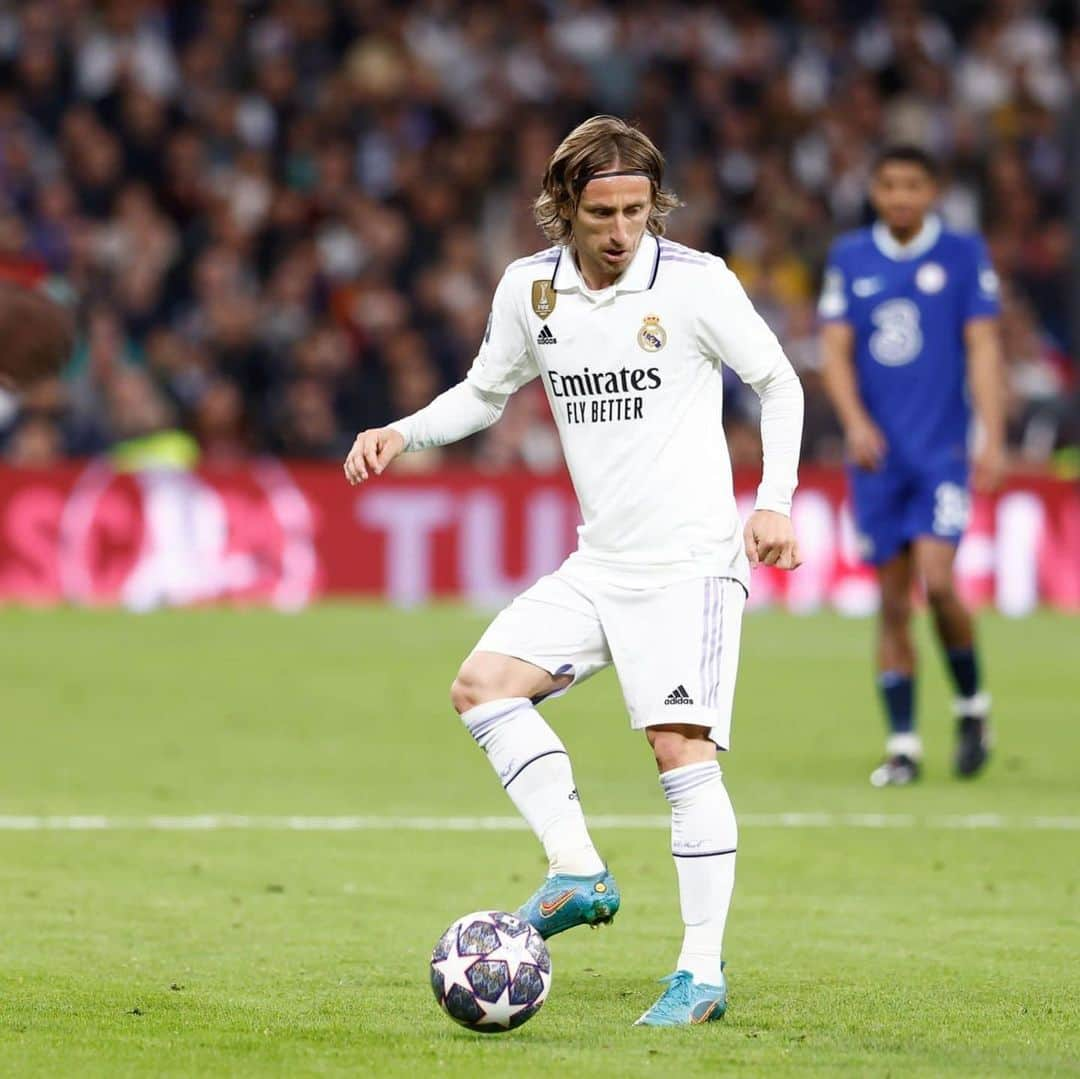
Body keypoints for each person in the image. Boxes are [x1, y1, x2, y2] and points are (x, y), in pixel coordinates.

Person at [344, 116, 804, 1027]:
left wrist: (775, 497)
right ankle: (579, 869)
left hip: (691, 567)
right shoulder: (531, 290)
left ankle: (700, 973)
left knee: (680, 753)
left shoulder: (697, 283)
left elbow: (778, 381)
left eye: (638, 209)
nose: (624, 230)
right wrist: (403, 430)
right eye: (603, 212)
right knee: (482, 688)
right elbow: (485, 391)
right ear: (564, 207)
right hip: (602, 562)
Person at [818, 145, 1005, 788]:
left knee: (940, 581)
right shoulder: (850, 257)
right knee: (893, 602)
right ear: (874, 190)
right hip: (877, 460)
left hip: (941, 453)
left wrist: (994, 433)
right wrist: (855, 421)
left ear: (933, 192)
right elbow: (836, 350)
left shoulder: (961, 254)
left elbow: (982, 346)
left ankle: (972, 707)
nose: (900, 196)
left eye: (912, 185)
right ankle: (903, 747)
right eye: (889, 184)